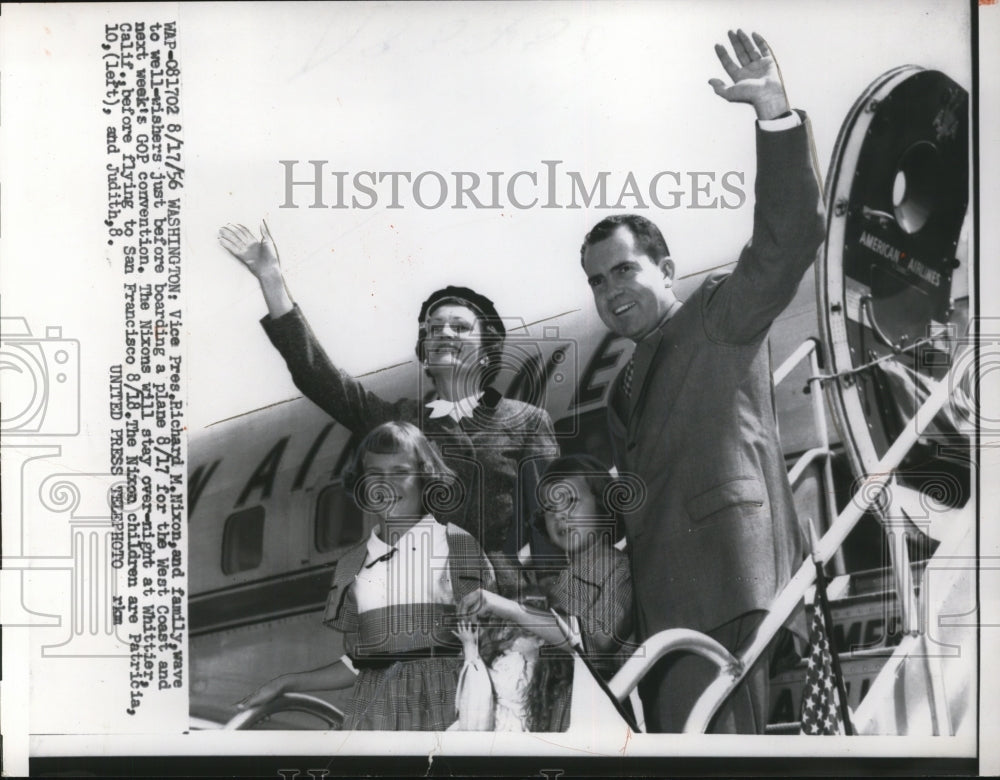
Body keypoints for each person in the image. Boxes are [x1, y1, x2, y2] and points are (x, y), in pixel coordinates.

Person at [578, 29, 825, 733]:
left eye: (624, 270)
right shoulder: (624, 381)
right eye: (597, 281)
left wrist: (773, 114)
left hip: (734, 588)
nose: (611, 290)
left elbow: (787, 239)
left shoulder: (716, 315)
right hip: (666, 615)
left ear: (666, 268)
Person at [217, 224, 558, 585]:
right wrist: (271, 278)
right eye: (433, 328)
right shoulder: (402, 421)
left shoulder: (527, 422)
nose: (443, 333)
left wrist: (548, 615)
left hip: (503, 603)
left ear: (488, 350)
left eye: (459, 328)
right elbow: (318, 376)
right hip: (422, 599)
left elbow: (550, 523)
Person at [237, 421, 496, 731]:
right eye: (375, 475)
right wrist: (286, 681)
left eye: (401, 472)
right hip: (375, 718)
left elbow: (492, 645)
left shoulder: (456, 545)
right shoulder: (351, 565)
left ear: (426, 478)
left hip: (447, 714)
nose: (386, 486)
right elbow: (364, 664)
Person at [458, 454, 634, 731]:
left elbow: (594, 645)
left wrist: (511, 609)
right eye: (551, 509)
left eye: (571, 502)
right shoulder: (556, 583)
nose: (560, 515)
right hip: (551, 709)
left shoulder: (619, 569)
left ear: (603, 503)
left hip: (595, 714)